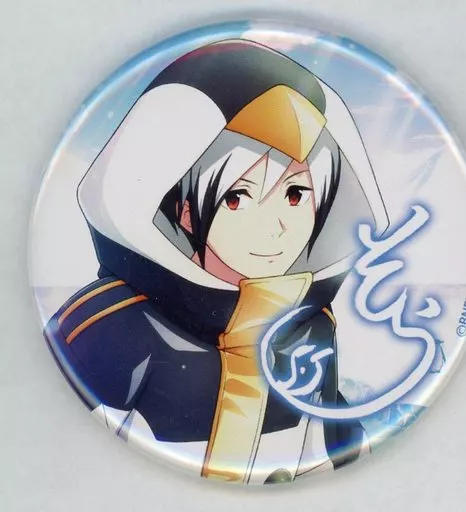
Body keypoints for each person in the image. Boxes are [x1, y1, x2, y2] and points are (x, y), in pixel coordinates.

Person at [44, 39, 389, 483]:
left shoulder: (312, 328)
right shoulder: (112, 323)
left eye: (296, 195)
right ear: (185, 211)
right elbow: (56, 443)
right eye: (238, 197)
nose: (277, 226)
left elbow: (333, 442)